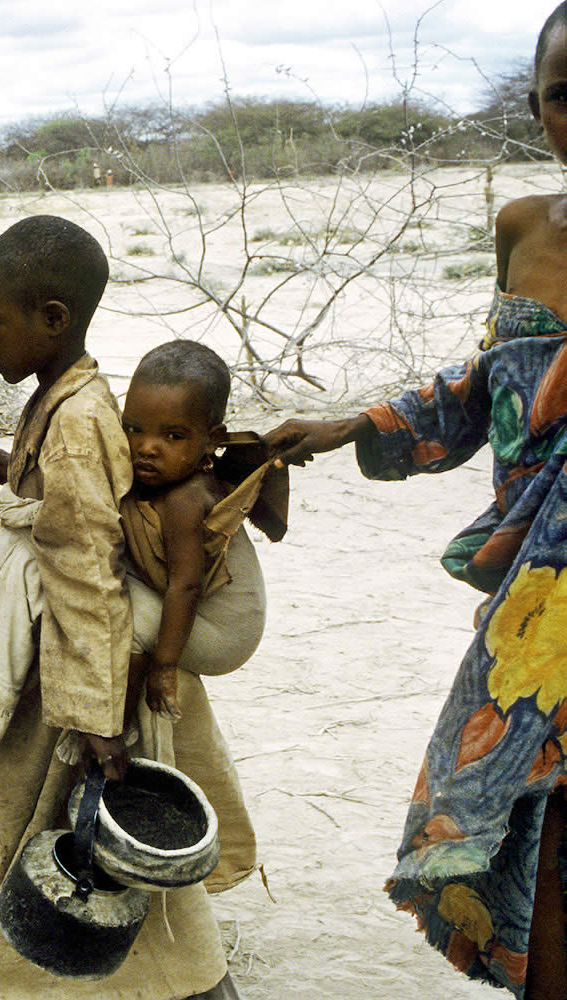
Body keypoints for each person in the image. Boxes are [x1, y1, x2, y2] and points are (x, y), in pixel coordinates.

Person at [264, 7, 567, 995]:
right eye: (563, 95)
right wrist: (352, 426)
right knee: (529, 813)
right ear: (535, 105)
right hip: (535, 604)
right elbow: (488, 386)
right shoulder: (522, 228)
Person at [0, 216, 237, 1000]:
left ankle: (192, 981)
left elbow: (86, 571)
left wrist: (91, 711)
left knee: (78, 833)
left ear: (51, 318)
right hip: (62, 661)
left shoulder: (78, 421)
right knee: (65, 828)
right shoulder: (62, 400)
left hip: (77, 672)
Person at [120, 340, 267, 893]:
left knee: (115, 603)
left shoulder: (186, 499)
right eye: (134, 429)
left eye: (173, 436)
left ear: (211, 440)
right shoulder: (162, 479)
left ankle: (122, 720)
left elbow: (183, 586)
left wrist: (164, 667)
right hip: (198, 610)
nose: (147, 447)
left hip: (223, 633)